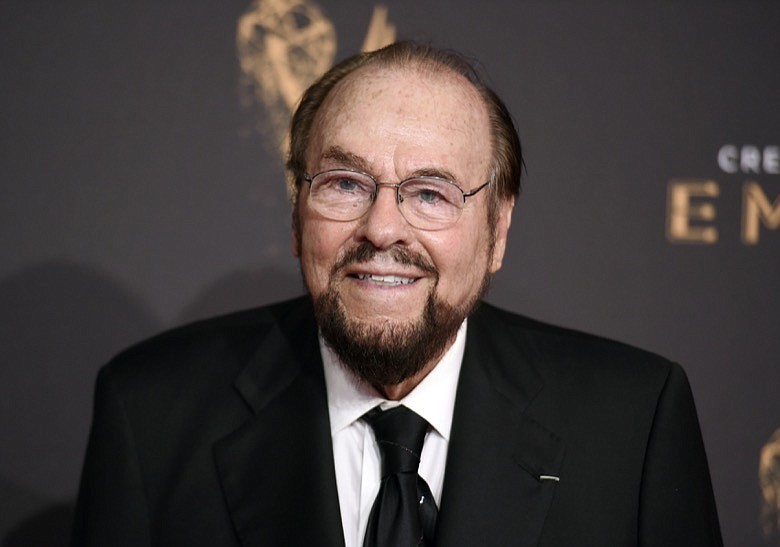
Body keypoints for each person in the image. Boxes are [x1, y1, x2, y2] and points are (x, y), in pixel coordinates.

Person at [71, 42, 723, 546]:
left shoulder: (633, 423)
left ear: (497, 228)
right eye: (345, 183)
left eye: (431, 193)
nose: (382, 227)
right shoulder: (150, 416)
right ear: (298, 213)